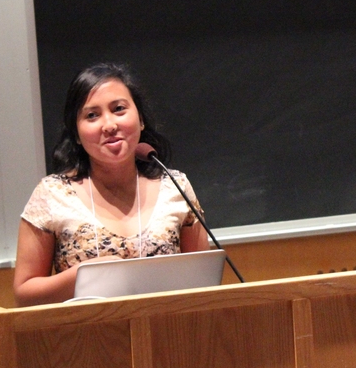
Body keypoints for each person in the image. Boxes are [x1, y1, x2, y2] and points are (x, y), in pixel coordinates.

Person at [13, 63, 209, 306]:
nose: (109, 125)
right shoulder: (52, 194)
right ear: (76, 133)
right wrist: (83, 276)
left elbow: (205, 283)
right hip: (85, 338)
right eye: (92, 115)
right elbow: (24, 295)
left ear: (141, 120)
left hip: (167, 336)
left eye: (119, 109)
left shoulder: (175, 187)